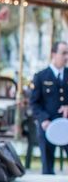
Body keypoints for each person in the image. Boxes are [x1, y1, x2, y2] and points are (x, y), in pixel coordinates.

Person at [30, 40, 68, 174]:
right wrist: (43, 119)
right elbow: (34, 103)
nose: (66, 57)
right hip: (47, 125)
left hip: (66, 125)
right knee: (47, 170)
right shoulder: (41, 76)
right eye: (63, 53)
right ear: (53, 54)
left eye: (67, 53)